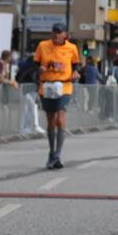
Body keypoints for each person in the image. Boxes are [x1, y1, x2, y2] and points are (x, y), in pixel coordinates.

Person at [34, 23, 81, 169]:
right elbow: (34, 65)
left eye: (59, 32)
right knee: (51, 122)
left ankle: (57, 156)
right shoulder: (42, 45)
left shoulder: (72, 48)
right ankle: (52, 152)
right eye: (54, 32)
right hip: (47, 86)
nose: (56, 35)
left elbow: (76, 66)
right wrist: (39, 70)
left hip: (64, 86)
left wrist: (75, 73)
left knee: (60, 119)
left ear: (65, 34)